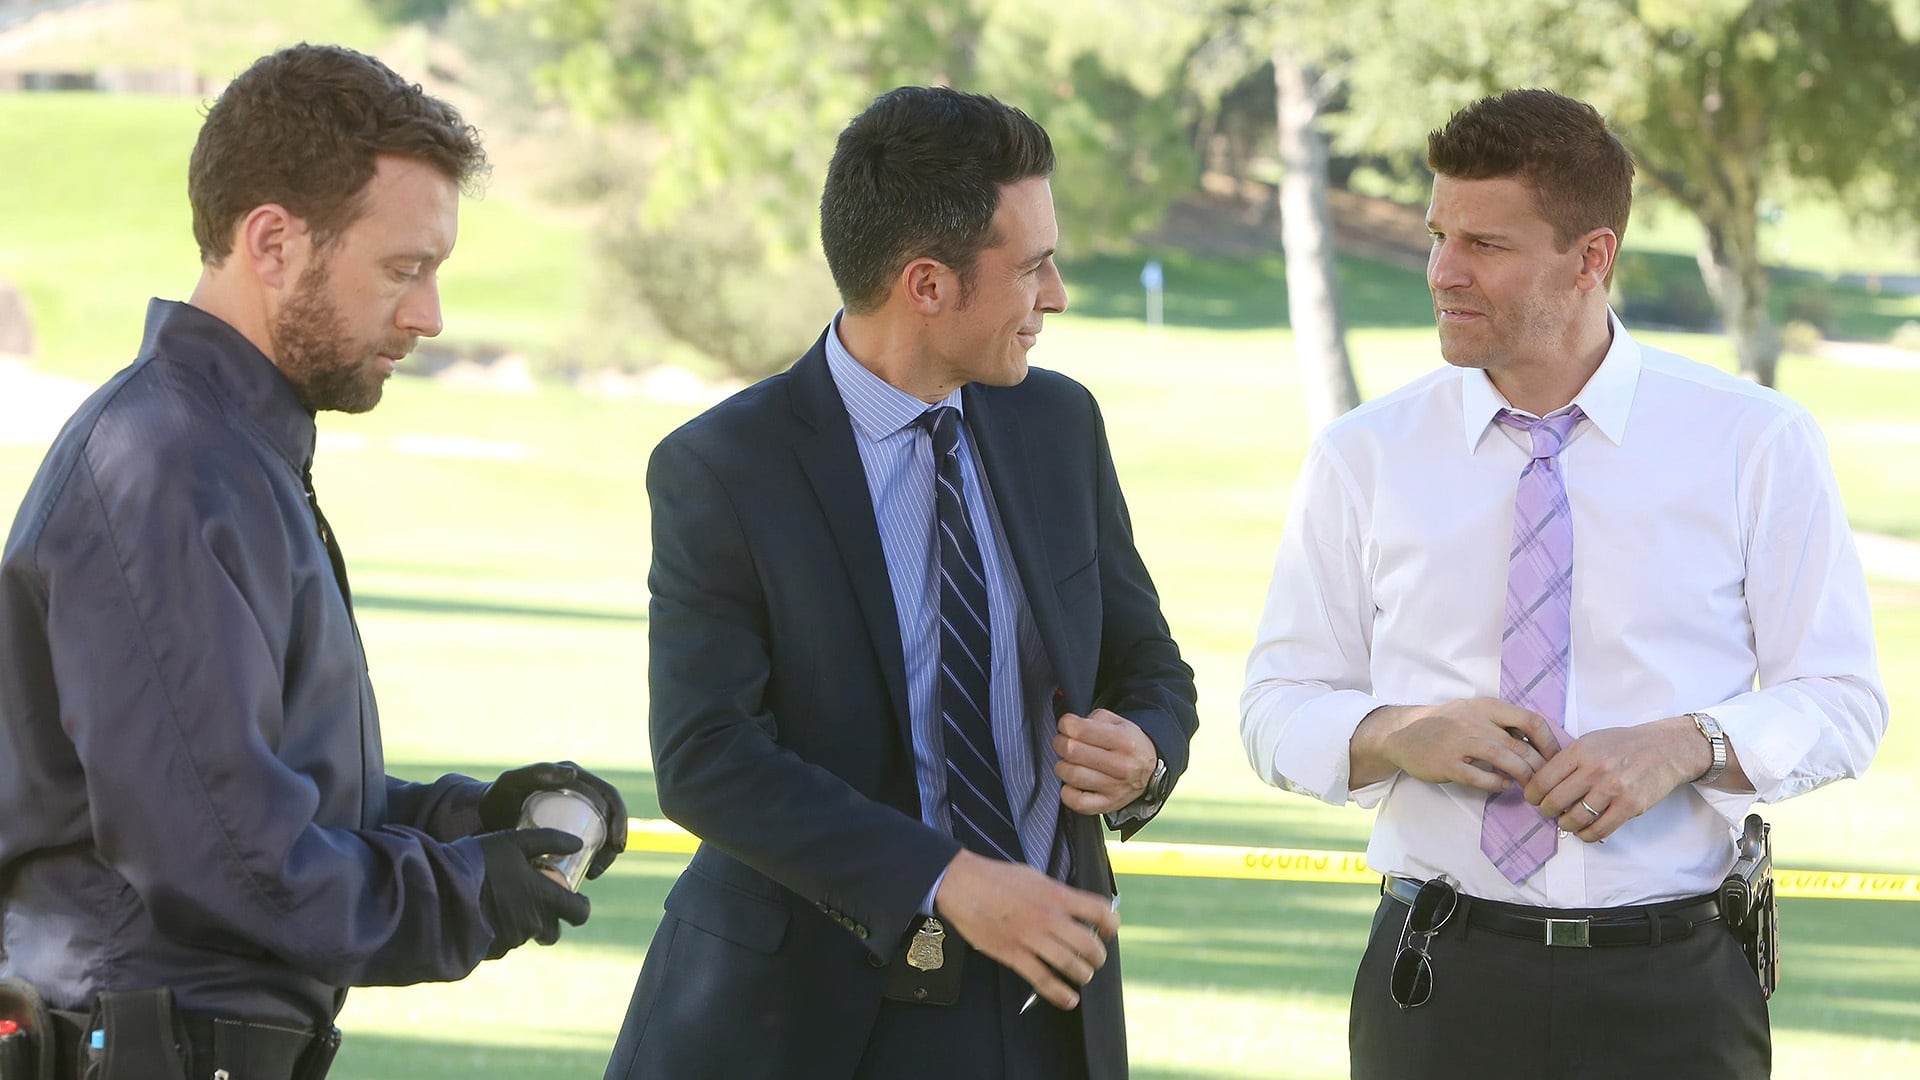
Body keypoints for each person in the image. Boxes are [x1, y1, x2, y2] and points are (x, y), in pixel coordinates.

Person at [0, 44, 628, 1080]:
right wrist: (468, 889)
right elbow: (227, 859)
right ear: (273, 242)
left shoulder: (227, 454)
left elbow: (261, 795)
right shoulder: (167, 467)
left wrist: (470, 820)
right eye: (403, 269)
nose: (428, 316)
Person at [1241, 88, 1887, 1079]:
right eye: (1438, 236)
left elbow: (1843, 701)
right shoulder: (1363, 455)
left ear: (1592, 257)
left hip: (1677, 992)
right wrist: (1396, 733)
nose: (1442, 272)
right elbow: (1275, 708)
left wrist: (1689, 744)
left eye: (1486, 245)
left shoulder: (1754, 442)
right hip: (1436, 984)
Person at [603, 86, 1199, 1080]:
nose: (1056, 296)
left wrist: (1146, 750)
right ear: (927, 284)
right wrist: (947, 879)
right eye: (1034, 267)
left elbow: (1148, 664)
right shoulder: (725, 468)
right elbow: (707, 757)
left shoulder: (1060, 425)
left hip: (1047, 1011)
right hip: (808, 1023)